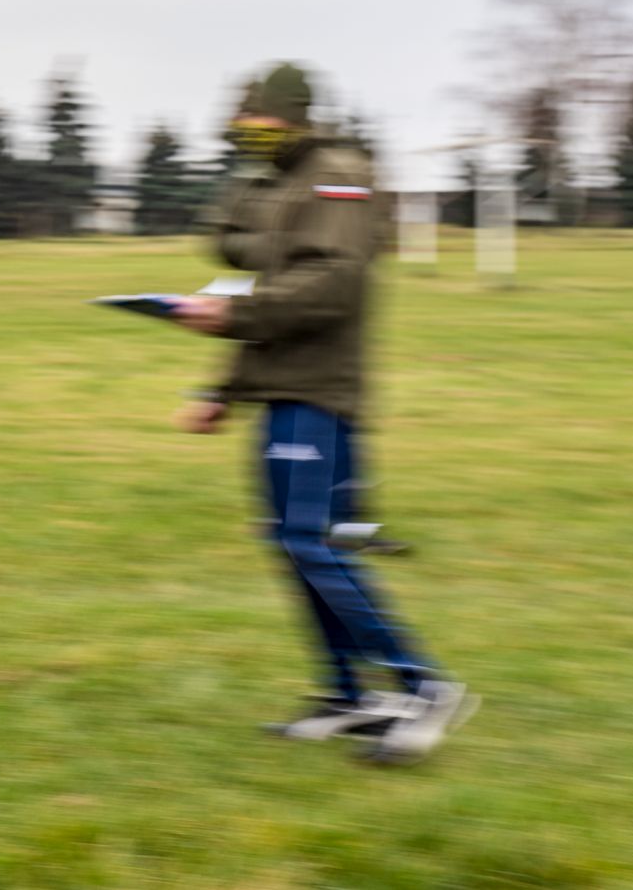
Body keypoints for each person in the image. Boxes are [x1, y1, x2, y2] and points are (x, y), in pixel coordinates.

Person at [170, 62, 475, 765]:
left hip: (319, 391)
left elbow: (330, 286)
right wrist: (224, 387)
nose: (247, 131)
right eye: (240, 120)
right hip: (284, 387)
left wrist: (232, 312)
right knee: (293, 542)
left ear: (294, 116)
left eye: (260, 119)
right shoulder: (281, 186)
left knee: (311, 542)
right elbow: (263, 287)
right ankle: (350, 694)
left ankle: (424, 685)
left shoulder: (337, 175)